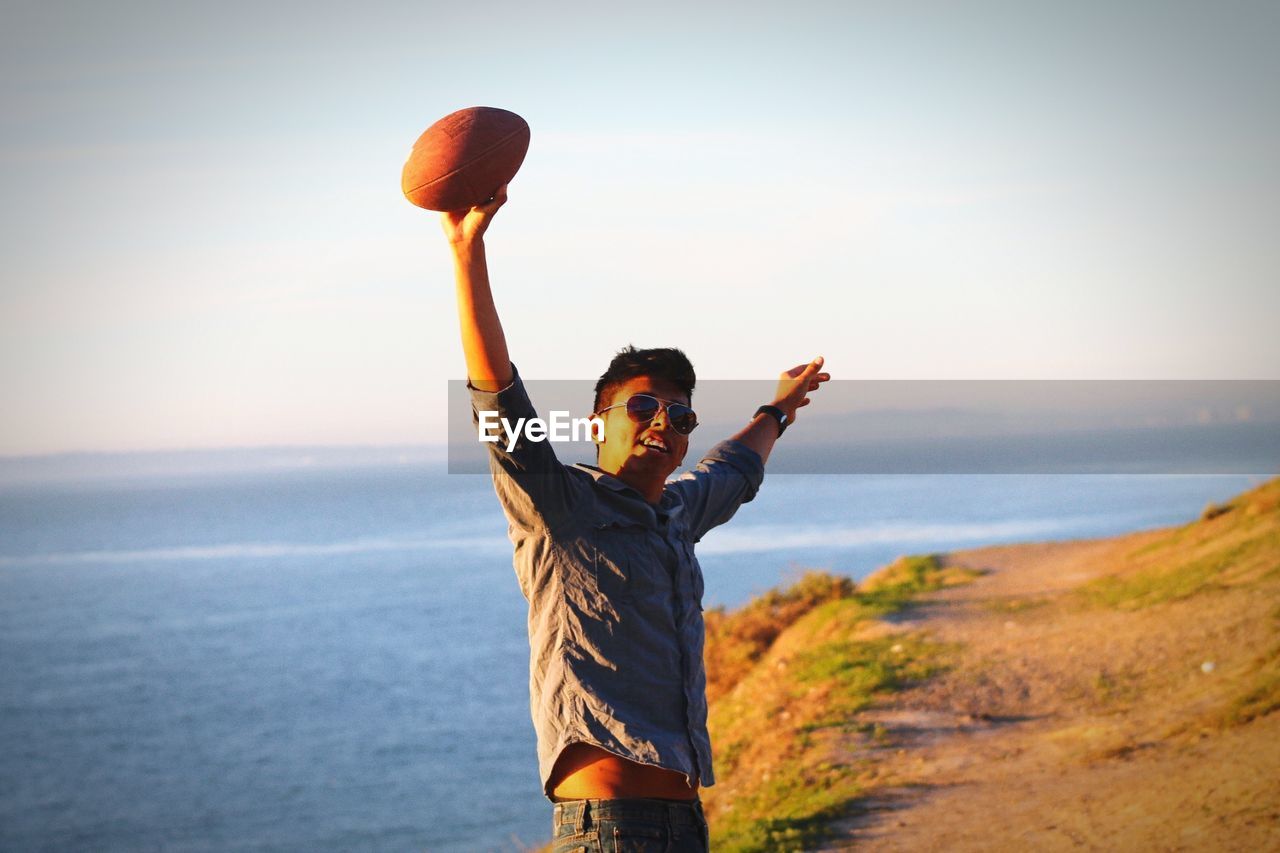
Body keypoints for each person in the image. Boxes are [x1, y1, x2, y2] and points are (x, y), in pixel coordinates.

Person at [442, 185, 829, 852]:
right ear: (598, 423)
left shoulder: (676, 512)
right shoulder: (559, 507)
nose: (663, 423)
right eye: (643, 407)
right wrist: (466, 252)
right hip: (610, 827)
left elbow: (734, 469)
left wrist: (778, 410)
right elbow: (499, 401)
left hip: (685, 821)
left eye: (679, 416)